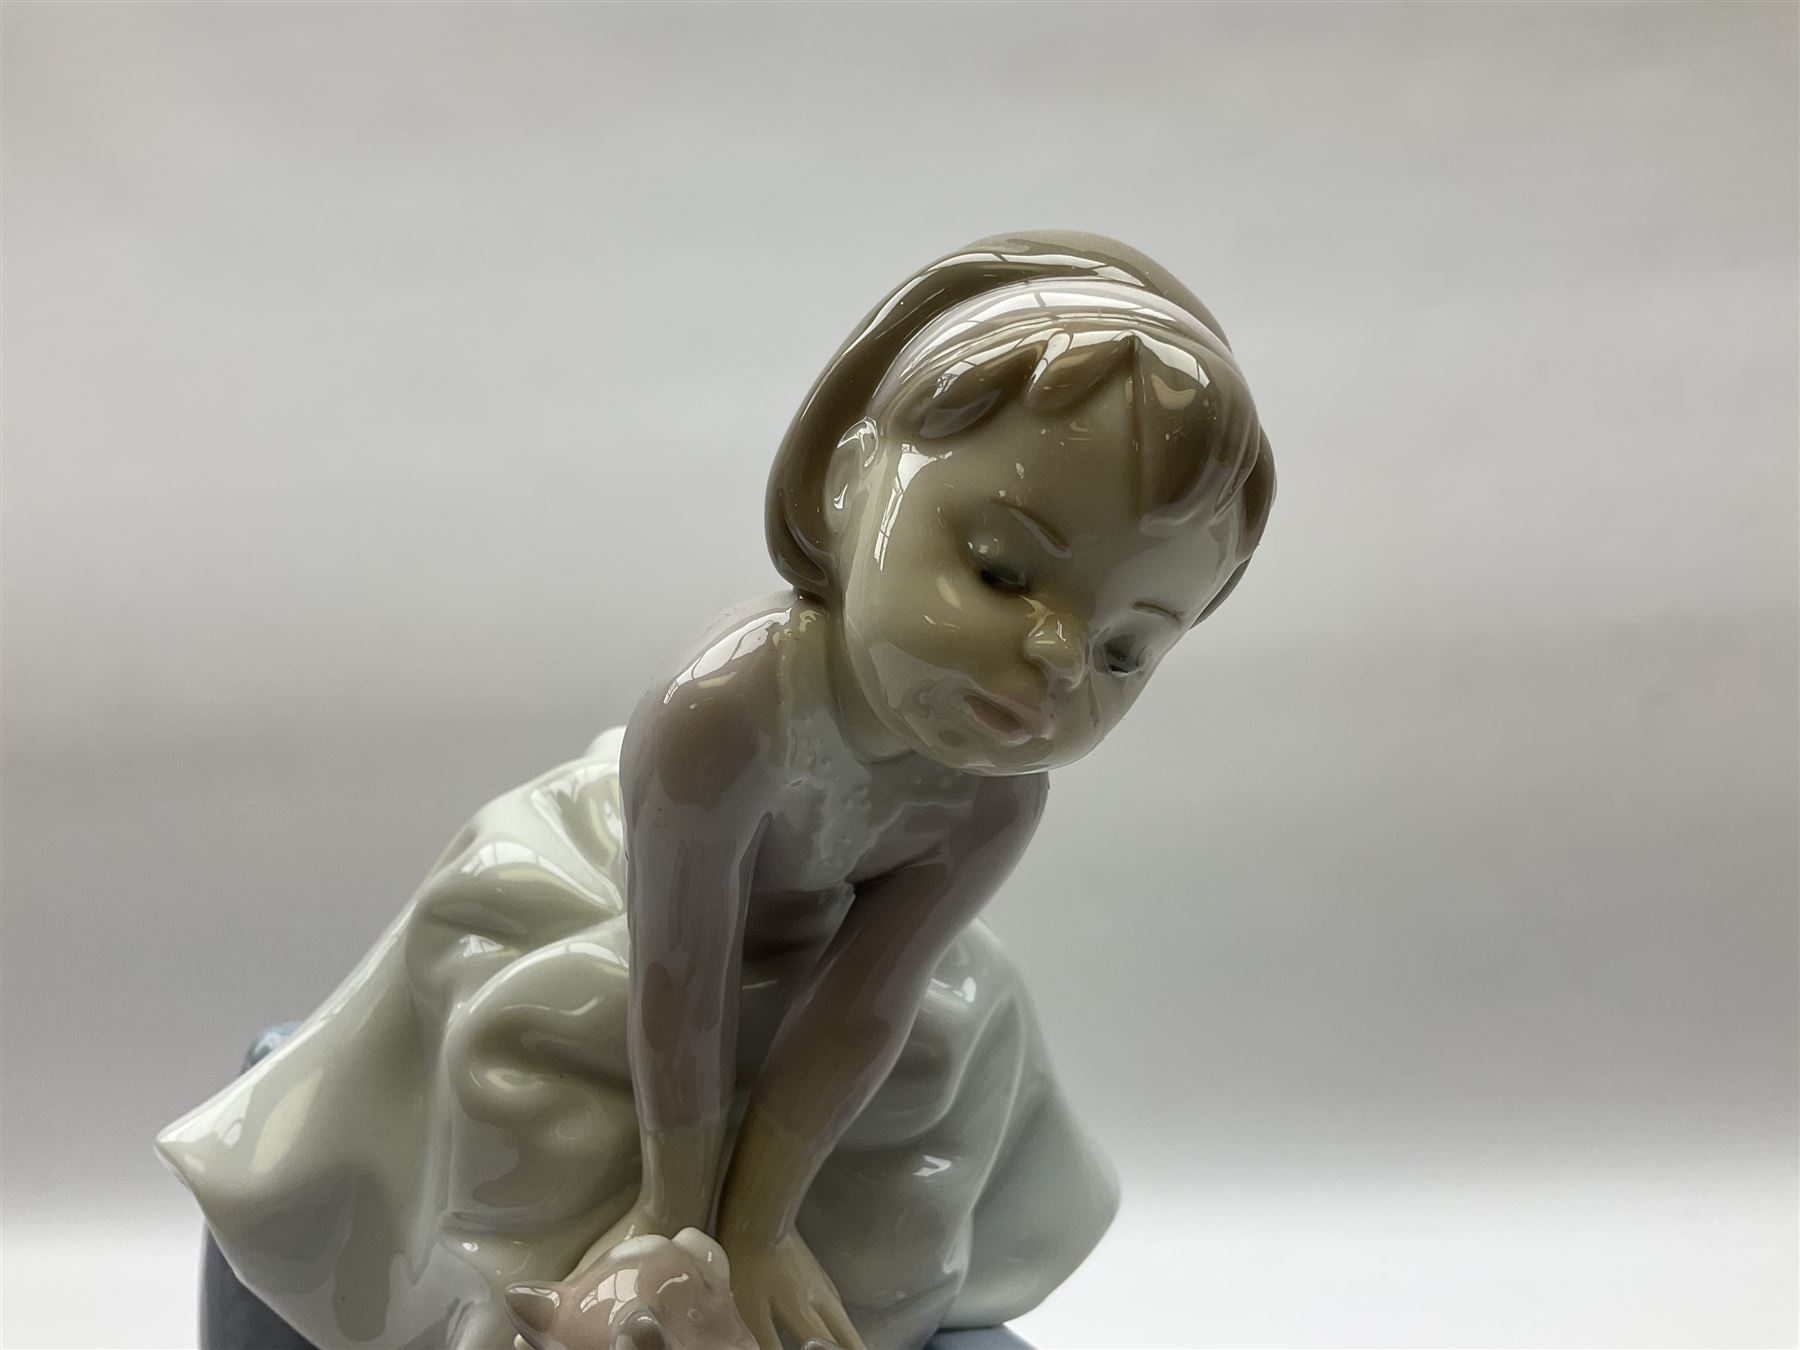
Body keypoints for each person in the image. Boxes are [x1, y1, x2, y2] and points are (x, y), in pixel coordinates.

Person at [157, 231, 1275, 1350]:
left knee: (928, 1102)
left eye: (1126, 649)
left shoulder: (993, 801)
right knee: (545, 1064)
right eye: (996, 569)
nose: (1057, 656)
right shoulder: (727, 707)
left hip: (812, 978)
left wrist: (761, 1229)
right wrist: (673, 1224)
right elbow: (678, 980)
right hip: (632, 921)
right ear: (850, 482)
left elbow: (863, 1006)